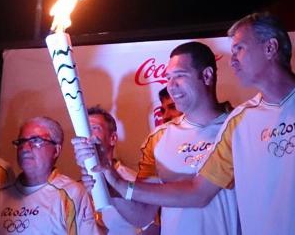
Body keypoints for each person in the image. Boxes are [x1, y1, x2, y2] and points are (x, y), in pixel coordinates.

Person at [73, 41, 240, 235]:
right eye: (168, 78)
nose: (171, 86)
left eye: (179, 76)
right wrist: (108, 187)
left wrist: (119, 184)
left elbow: (198, 194)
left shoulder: (239, 127)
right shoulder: (158, 138)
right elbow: (142, 215)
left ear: (207, 75)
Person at [0, 116, 101, 234]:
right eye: (22, 141)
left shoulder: (72, 193)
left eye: (36, 141)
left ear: (56, 150)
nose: (25, 148)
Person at [87, 105, 159, 235]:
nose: (89, 135)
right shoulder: (79, 186)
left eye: (95, 128)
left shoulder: (133, 181)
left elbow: (152, 227)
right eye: (85, 129)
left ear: (113, 138)